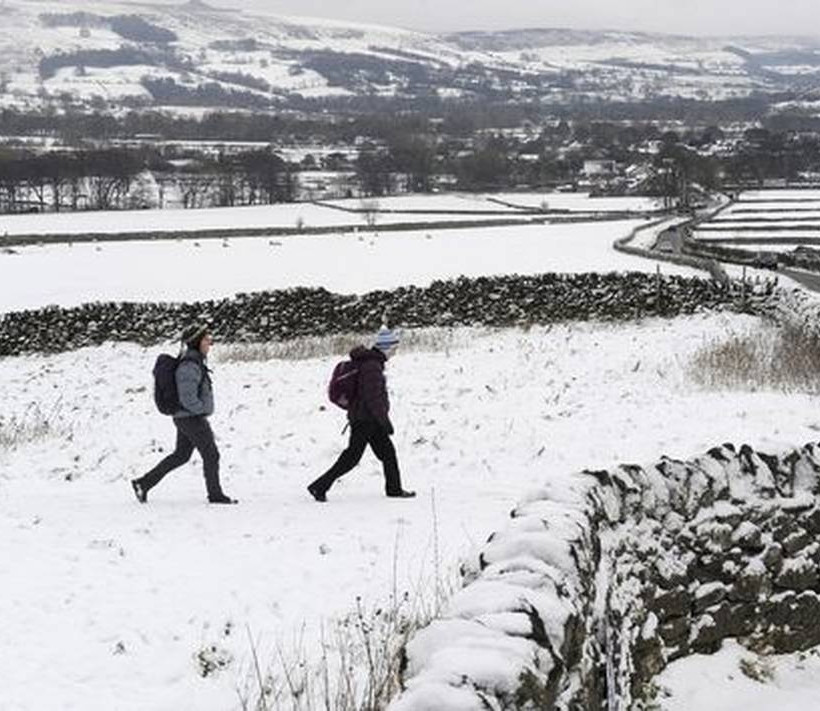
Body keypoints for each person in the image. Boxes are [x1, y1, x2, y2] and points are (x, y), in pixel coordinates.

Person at [131, 324, 237, 505]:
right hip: (191, 418)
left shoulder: (193, 363)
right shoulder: (189, 366)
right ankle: (215, 495)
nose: (209, 344)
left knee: (181, 455)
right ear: (196, 342)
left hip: (185, 418)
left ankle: (144, 483)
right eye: (206, 340)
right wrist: (202, 410)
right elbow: (187, 398)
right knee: (211, 455)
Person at [308, 326, 415, 502]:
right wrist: (384, 420)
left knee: (387, 453)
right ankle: (319, 486)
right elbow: (373, 397)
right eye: (393, 349)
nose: (394, 353)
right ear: (385, 348)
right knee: (352, 457)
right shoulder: (372, 366)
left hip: (367, 418)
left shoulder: (371, 363)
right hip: (366, 419)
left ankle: (394, 489)